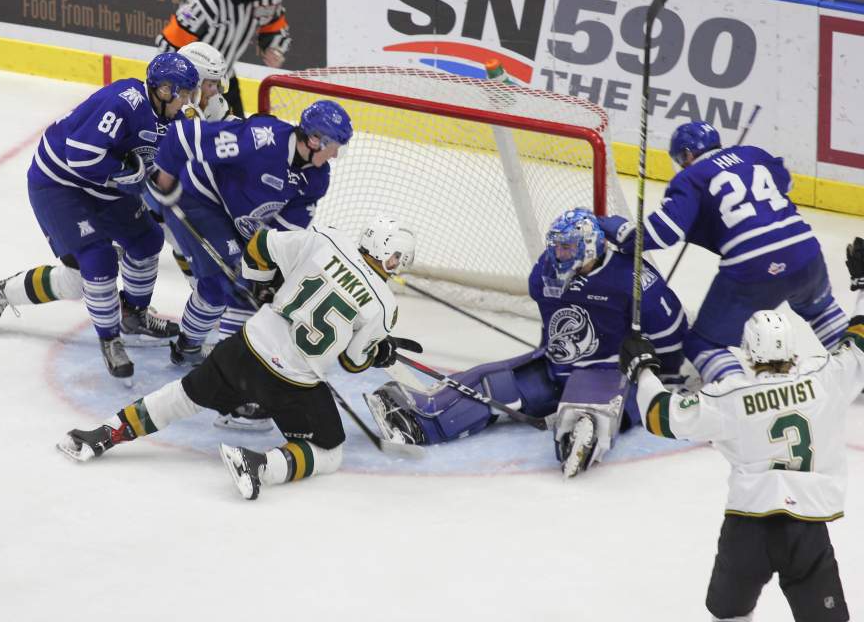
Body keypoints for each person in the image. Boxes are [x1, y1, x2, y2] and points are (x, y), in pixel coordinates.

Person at [57, 217, 417, 501]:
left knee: (183, 396)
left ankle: (105, 433)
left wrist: (261, 285)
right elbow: (354, 362)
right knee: (330, 452)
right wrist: (380, 351)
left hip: (245, 348)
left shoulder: (327, 238)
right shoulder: (384, 305)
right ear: (386, 251)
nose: (398, 265)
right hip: (291, 382)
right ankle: (259, 465)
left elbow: (261, 244)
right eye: (398, 257)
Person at [619, 237, 864, 622]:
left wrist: (642, 369)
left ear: (748, 355)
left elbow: (659, 415)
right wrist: (863, 287)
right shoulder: (825, 380)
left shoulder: (729, 396)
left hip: (748, 525)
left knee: (730, 614)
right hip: (808, 526)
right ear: (793, 351)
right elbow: (860, 344)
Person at [366, 207, 689, 478]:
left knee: (595, 403)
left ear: (589, 246)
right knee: (492, 382)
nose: (556, 254)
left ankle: (583, 431)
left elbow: (671, 329)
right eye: (556, 246)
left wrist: (660, 376)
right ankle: (421, 421)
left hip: (611, 371)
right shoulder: (547, 271)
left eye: (566, 248)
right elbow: (552, 326)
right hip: (556, 368)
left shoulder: (633, 279)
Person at [0, 52, 199, 382]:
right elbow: (80, 158)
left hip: (102, 187)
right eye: (185, 93)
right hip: (60, 184)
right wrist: (126, 172)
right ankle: (107, 339)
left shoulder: (174, 120)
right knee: (95, 261)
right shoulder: (123, 103)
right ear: (164, 91)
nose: (189, 101)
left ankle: (132, 314)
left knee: (146, 240)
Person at [598, 121, 848, 386]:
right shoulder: (753, 153)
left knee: (702, 343)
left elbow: (665, 231)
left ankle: (737, 395)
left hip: (754, 267)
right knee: (820, 309)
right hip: (805, 249)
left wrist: (625, 234)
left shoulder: (690, 178)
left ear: (687, 155)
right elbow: (786, 183)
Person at [146, 98, 353, 369]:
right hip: (199, 198)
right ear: (315, 140)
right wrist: (165, 177)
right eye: (334, 146)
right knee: (231, 284)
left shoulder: (317, 178)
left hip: (239, 222)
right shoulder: (261, 139)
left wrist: (272, 273)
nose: (336, 155)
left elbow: (284, 231)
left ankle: (190, 349)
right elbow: (182, 136)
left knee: (245, 285)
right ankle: (226, 369)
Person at [155, 0, 290, 120]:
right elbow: (169, 45)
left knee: (237, 140)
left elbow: (275, 26)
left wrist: (274, 47)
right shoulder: (206, 1)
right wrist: (174, 85)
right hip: (191, 84)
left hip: (226, 81)